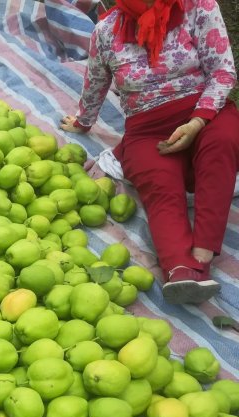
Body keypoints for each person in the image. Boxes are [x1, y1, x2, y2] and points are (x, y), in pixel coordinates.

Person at [60, 0, 239, 304]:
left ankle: (203, 252)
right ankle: (181, 270)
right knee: (160, 185)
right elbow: (96, 81)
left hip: (205, 112)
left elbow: (222, 72)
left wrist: (197, 122)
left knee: (221, 146)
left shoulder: (198, 6)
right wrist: (82, 122)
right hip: (147, 130)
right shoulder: (106, 30)